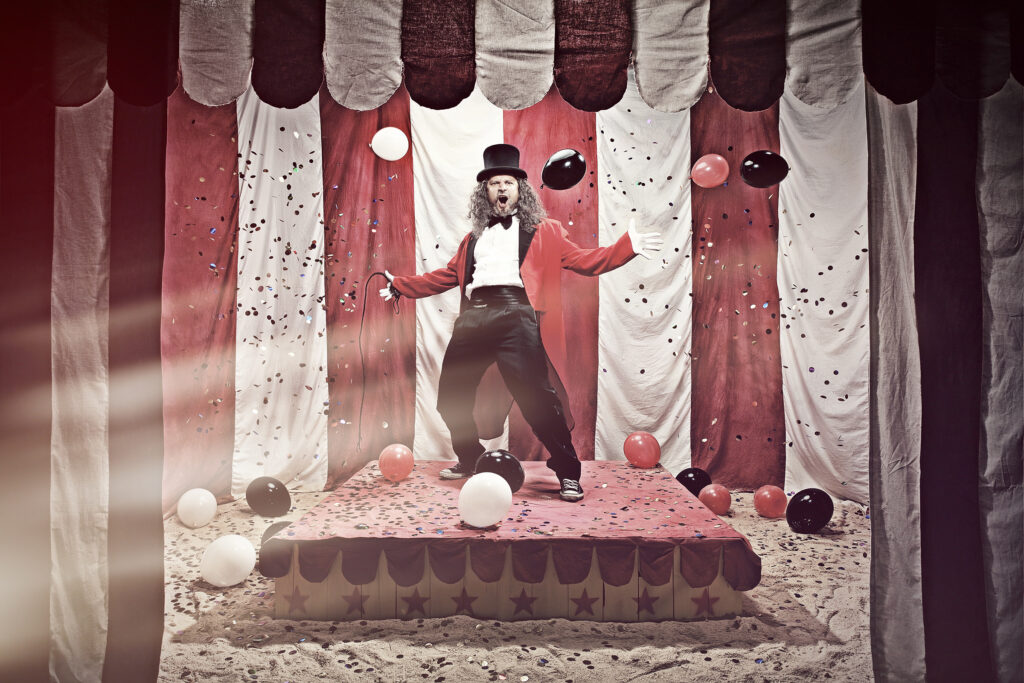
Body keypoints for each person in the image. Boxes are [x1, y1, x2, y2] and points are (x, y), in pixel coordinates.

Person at [379, 144, 662, 501]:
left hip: (517, 315)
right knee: (451, 396)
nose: (501, 188)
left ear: (520, 190)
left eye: (508, 182)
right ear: (485, 192)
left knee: (537, 399)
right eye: (494, 183)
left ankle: (567, 471)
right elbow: (447, 276)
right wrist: (401, 285)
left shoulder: (547, 231)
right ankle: (470, 457)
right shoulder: (473, 238)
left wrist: (627, 246)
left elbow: (586, 261)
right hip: (473, 317)